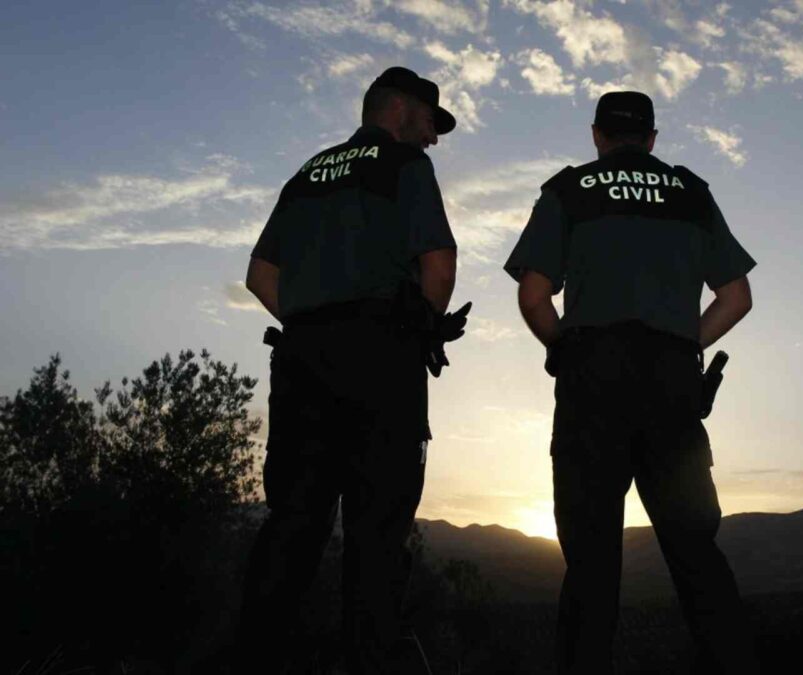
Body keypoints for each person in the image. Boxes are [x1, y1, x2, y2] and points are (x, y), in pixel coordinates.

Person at [504, 91, 759, 674]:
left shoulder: (568, 190)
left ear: (597, 135)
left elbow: (534, 293)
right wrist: (684, 345)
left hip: (592, 380)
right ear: (651, 138)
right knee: (696, 553)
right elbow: (737, 296)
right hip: (671, 383)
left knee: (591, 563)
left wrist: (564, 349)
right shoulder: (692, 193)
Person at [235, 66, 467, 674]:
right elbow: (439, 266)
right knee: (377, 534)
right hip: (380, 362)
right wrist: (409, 324)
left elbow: (260, 275)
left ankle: (254, 657)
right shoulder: (407, 167)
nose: (433, 138)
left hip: (301, 365)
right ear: (397, 109)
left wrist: (316, 319)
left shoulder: (308, 173)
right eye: (428, 121)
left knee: (291, 524)